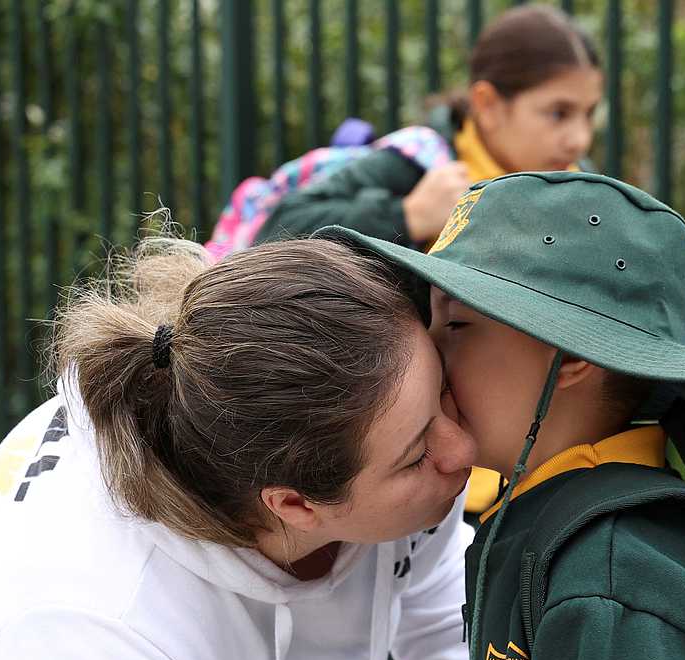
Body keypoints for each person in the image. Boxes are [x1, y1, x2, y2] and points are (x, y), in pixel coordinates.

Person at [317, 171, 685, 660]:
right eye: (429, 322)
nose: (427, 353)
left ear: (568, 357)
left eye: (457, 324)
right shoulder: (551, 519)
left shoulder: (613, 588)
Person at [0, 236, 476, 660]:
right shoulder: (99, 620)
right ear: (295, 506)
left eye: (444, 398)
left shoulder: (366, 438)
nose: (462, 449)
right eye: (417, 455)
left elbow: (454, 631)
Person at [258, 4, 604, 516]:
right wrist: (407, 212)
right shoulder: (419, 165)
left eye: (589, 113)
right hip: (413, 455)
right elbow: (280, 230)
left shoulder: (579, 185)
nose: (579, 137)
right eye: (558, 113)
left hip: (531, 468)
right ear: (487, 104)